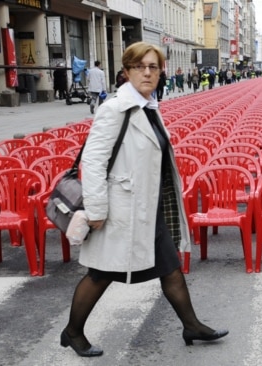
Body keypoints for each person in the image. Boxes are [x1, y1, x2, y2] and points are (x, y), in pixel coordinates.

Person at [61, 41, 228, 358]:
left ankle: (191, 325)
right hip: (120, 209)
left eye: (154, 67)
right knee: (99, 275)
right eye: (140, 67)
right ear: (126, 72)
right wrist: (96, 210)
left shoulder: (149, 107)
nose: (148, 73)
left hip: (149, 207)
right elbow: (93, 162)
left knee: (171, 268)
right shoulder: (114, 109)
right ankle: (72, 332)